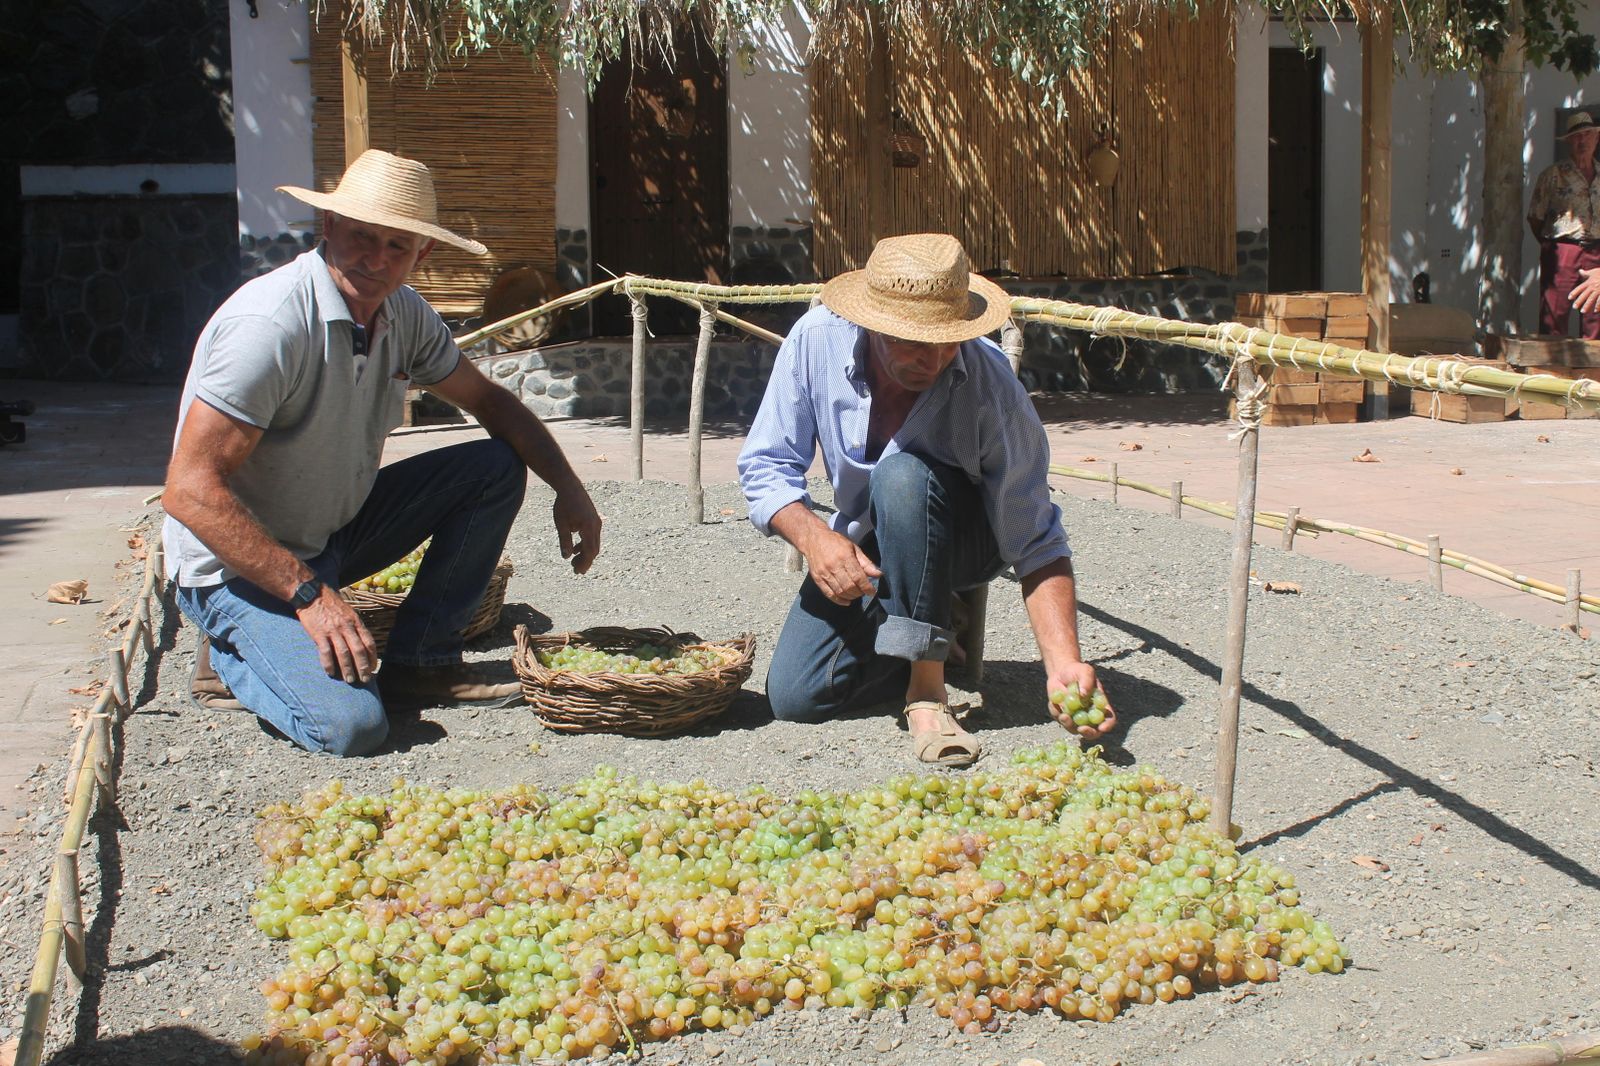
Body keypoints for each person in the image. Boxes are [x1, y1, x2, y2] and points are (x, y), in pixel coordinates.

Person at [163, 149, 602, 756]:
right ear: (329, 229)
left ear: (422, 254)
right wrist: (310, 596)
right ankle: (229, 657)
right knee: (352, 728)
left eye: (397, 246)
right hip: (238, 566)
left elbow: (491, 404)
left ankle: (423, 662)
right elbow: (188, 491)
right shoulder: (272, 326)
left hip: (332, 535)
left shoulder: (402, 313)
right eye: (362, 238)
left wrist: (571, 489)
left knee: (494, 466)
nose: (376, 260)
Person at [737, 233, 1113, 767]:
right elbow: (766, 463)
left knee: (902, 477)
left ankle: (927, 689)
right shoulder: (815, 340)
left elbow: (1035, 536)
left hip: (966, 537)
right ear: (870, 324)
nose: (932, 358)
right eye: (912, 341)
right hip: (874, 537)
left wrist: (1063, 665)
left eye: (947, 339)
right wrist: (815, 537)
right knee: (798, 697)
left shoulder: (989, 385)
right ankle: (935, 621)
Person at [1528, 111, 1600, 336]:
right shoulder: (1552, 175)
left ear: (1596, 138)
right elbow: (1535, 216)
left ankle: (1592, 370)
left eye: (1588, 134)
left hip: (1596, 250)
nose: (1583, 140)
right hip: (1561, 250)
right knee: (1553, 315)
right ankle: (1551, 370)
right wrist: (1553, 248)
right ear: (1569, 141)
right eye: (1577, 136)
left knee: (1595, 317)